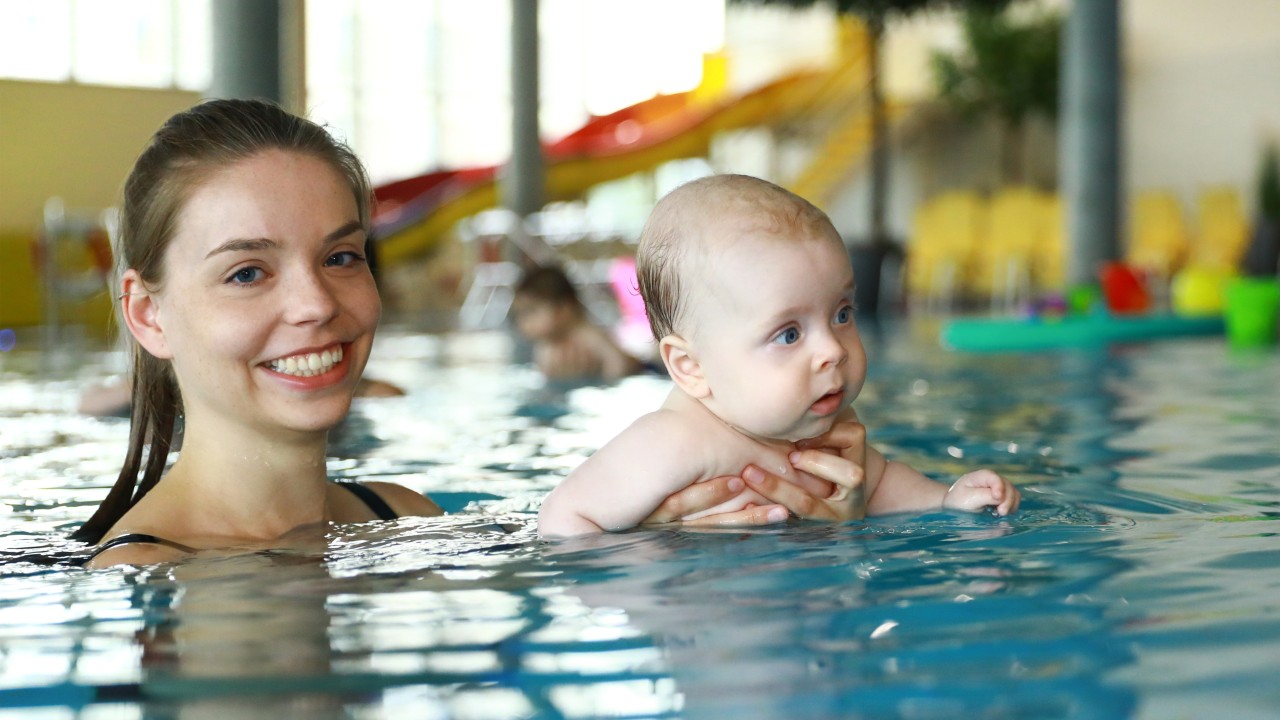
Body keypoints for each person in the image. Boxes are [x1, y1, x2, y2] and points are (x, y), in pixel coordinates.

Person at [538, 174, 1020, 537]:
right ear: (692, 367)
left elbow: (878, 483)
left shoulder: (824, 426)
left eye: (842, 313)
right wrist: (645, 554)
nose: (832, 350)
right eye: (788, 334)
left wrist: (948, 499)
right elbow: (563, 518)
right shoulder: (674, 442)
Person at [72, 98, 442, 568]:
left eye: (340, 257)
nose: (317, 304)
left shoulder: (404, 518)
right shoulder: (139, 576)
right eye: (247, 273)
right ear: (148, 315)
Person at [510, 264, 648, 381]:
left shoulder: (587, 333)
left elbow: (620, 365)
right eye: (520, 314)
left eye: (531, 311)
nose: (523, 322)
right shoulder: (544, 346)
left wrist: (608, 381)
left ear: (564, 309)